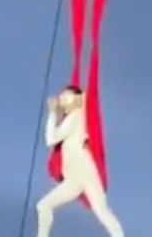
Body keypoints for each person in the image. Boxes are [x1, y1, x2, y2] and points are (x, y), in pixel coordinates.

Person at [36, 87, 125, 237]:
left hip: (84, 171)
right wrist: (56, 112)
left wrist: (52, 113)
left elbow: (51, 138)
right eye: (62, 97)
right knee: (44, 206)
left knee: (102, 211)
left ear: (77, 100)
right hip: (74, 177)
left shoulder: (76, 116)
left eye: (67, 97)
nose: (63, 100)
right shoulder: (72, 117)